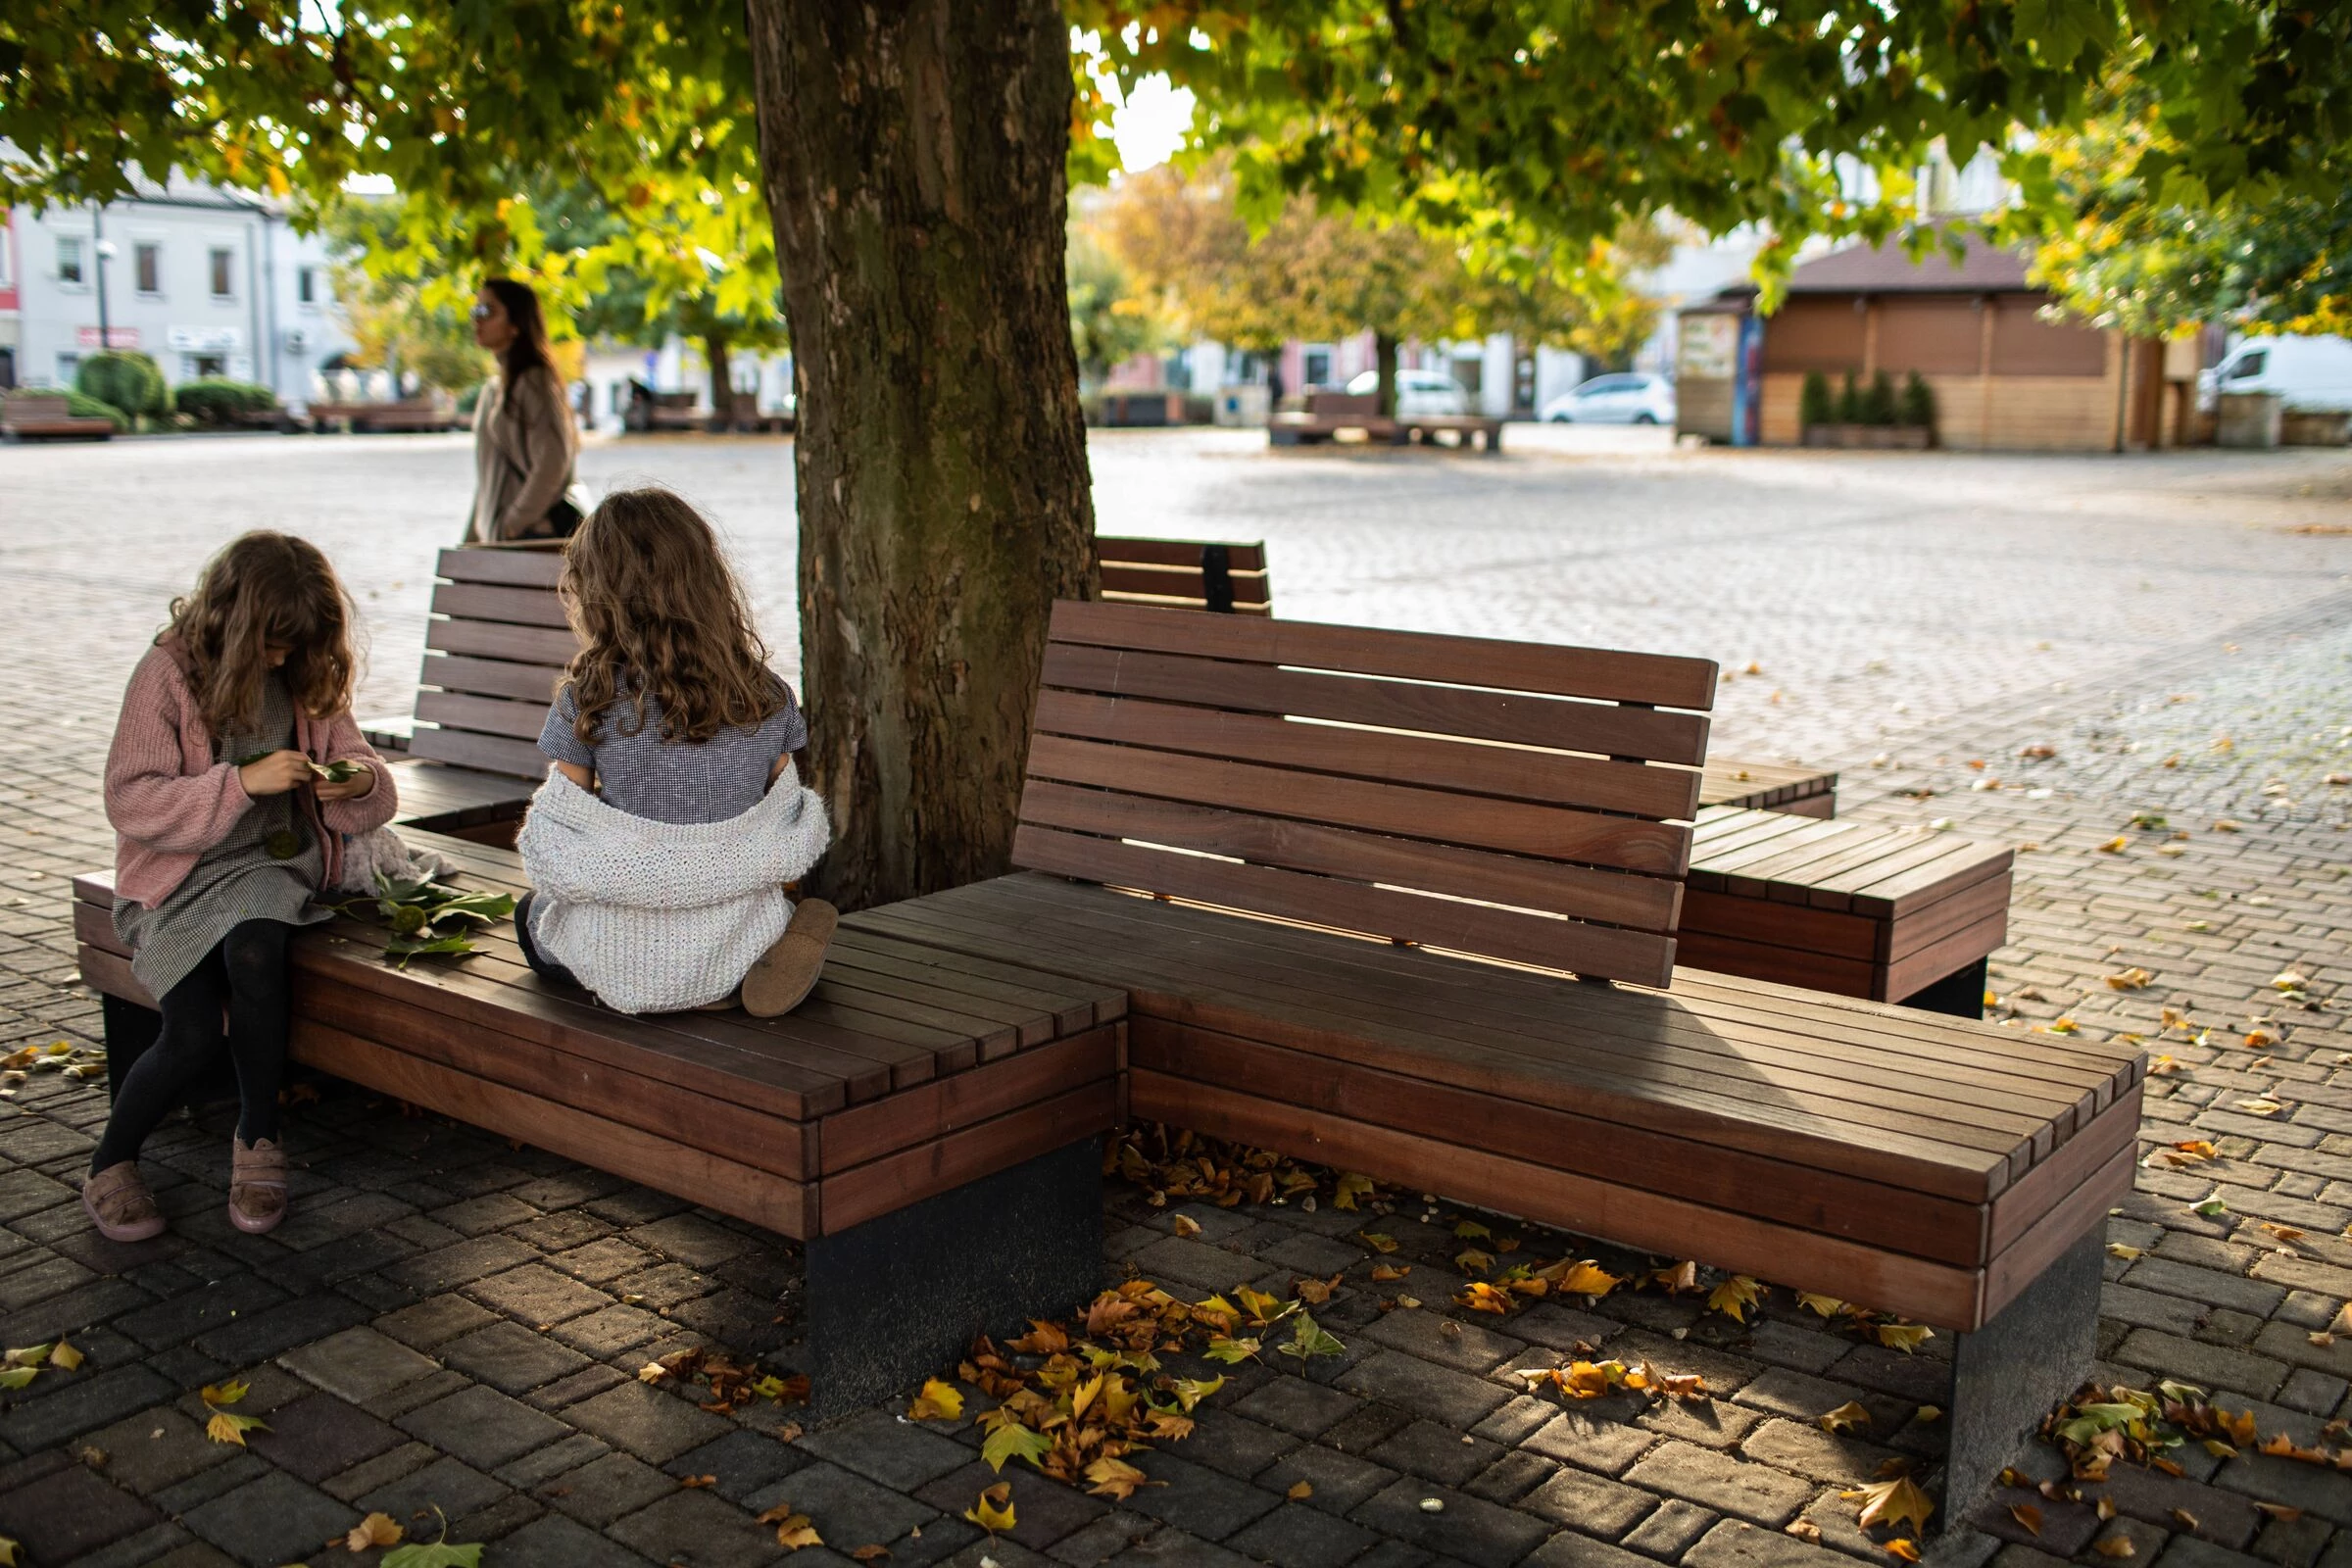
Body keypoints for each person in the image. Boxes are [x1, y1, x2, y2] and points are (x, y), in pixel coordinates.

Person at [85, 533, 397, 1242]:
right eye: (272, 644)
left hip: (269, 865)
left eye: (296, 645)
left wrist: (360, 780)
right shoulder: (167, 672)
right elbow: (129, 798)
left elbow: (363, 774)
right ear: (231, 619)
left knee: (257, 951)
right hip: (175, 879)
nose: (281, 660)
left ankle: (259, 1137)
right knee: (191, 1030)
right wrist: (241, 782)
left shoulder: (302, 673)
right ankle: (111, 1161)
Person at [514, 488, 835, 1016]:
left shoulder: (587, 699)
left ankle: (659, 975)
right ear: (708, 582)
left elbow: (564, 830)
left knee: (533, 916)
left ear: (598, 594)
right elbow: (783, 816)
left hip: (621, 937)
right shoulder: (766, 695)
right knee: (762, 902)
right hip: (731, 924)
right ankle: (737, 963)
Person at [466, 277, 582, 543]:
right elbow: (490, 477)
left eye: (488, 311)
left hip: (530, 537)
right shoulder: (495, 388)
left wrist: (514, 522)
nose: (477, 320)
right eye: (475, 311)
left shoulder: (533, 381)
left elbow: (553, 460)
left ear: (516, 323)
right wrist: (474, 538)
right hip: (502, 537)